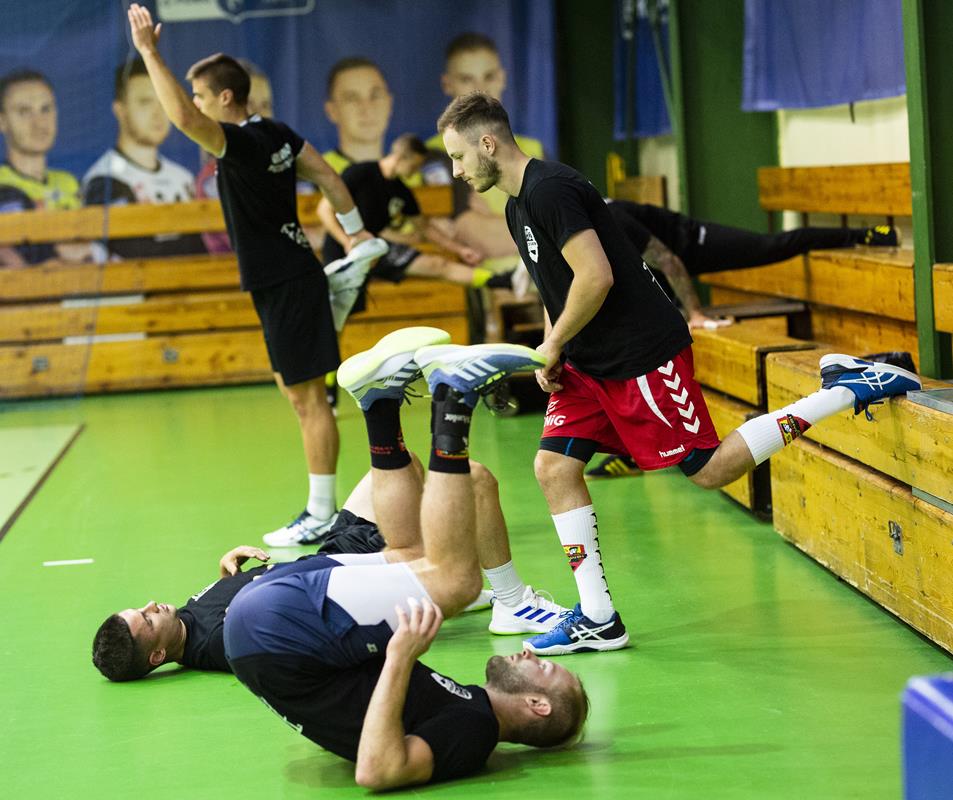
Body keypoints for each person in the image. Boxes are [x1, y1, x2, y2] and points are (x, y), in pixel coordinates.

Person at [437, 92, 923, 655]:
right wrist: (555, 349)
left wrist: (553, 341)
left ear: (488, 143)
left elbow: (595, 277)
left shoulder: (550, 190)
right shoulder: (516, 205)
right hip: (589, 365)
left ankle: (845, 390)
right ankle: (598, 617)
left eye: (459, 157)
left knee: (709, 470)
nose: (457, 171)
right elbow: (558, 286)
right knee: (553, 467)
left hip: (641, 355)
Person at [222, 328, 586, 788]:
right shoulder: (468, 708)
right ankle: (379, 403)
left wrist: (398, 655)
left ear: (538, 705)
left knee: (457, 583)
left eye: (546, 667)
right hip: (266, 625)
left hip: (279, 632)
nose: (532, 652)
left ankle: (454, 400)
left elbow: (377, 772)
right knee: (412, 556)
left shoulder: (475, 732)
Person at [91, 333, 569, 683]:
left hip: (330, 555)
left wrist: (226, 574)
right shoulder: (222, 645)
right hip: (350, 575)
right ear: (157, 657)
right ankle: (511, 602)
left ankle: (379, 403)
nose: (152, 606)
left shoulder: (187, 618)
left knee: (402, 466)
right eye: (146, 619)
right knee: (476, 482)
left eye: (140, 607)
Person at [126, 4, 383, 548]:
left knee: (309, 400)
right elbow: (329, 177)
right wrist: (356, 231)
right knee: (298, 395)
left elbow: (183, 119)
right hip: (287, 277)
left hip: (286, 280)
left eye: (201, 95)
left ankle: (321, 514)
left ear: (225, 98)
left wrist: (149, 51)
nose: (196, 104)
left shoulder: (240, 141)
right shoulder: (279, 133)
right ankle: (333, 291)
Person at [586, 200, 900, 479]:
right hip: (656, 272)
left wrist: (695, 314)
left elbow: (669, 260)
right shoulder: (583, 232)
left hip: (692, 245)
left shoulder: (609, 215)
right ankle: (634, 454)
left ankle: (863, 235)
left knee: (771, 246)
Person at [318, 133, 524, 315]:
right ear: (402, 157)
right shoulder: (360, 173)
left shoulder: (401, 191)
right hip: (343, 251)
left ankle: (502, 280)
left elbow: (425, 229)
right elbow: (324, 210)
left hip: (374, 249)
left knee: (438, 265)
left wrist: (460, 250)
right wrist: (347, 241)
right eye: (415, 165)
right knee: (339, 313)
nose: (416, 171)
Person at [426, 33, 543, 264]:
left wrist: (490, 221)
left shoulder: (535, 150)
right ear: (447, 84)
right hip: (485, 284)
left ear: (502, 78)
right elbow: (478, 236)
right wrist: (539, 228)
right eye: (467, 79)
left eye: (489, 76)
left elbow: (561, 221)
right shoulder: (433, 156)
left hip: (539, 283)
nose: (480, 89)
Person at [82, 58, 205, 259]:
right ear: (120, 110)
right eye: (145, 102)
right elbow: (135, 250)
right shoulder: (103, 180)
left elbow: (204, 246)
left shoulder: (183, 178)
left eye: (163, 101)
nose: (158, 113)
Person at [0, 69, 90, 266]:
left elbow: (92, 249)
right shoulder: (2, 184)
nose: (39, 122)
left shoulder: (69, 182)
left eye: (46, 109)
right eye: (24, 112)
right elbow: (19, 264)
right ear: (2, 121)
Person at [195, 58, 274, 253]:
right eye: (249, 104)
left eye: (265, 105)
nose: (259, 114)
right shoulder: (212, 178)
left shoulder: (280, 156)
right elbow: (247, 239)